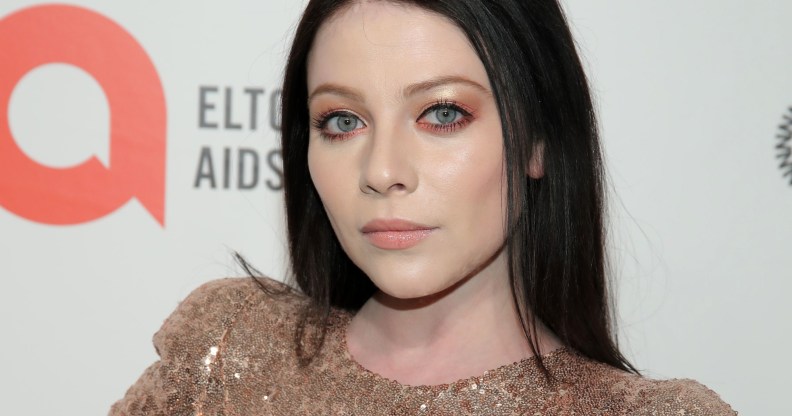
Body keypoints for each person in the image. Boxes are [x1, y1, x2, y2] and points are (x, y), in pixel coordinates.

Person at [110, 0, 736, 414]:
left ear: (538, 140)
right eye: (342, 120)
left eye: (442, 114)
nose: (382, 171)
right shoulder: (223, 353)